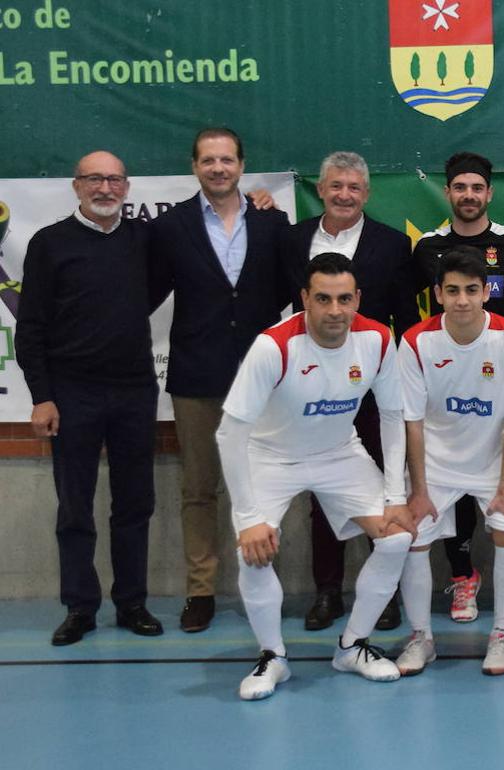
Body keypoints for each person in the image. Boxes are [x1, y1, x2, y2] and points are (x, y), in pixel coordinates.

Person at [217, 253, 415, 700]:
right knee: (254, 550)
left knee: (397, 537)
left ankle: (352, 646)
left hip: (337, 453)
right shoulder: (274, 346)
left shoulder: (378, 339)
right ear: (304, 298)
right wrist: (248, 516)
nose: (334, 311)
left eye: (345, 299)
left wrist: (395, 494)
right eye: (323, 299)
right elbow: (231, 432)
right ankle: (273, 657)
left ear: (358, 299)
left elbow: (393, 413)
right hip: (269, 456)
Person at [15, 151, 162, 645]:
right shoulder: (49, 244)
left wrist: (258, 201)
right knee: (74, 505)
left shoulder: (145, 239)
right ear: (76, 186)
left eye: (115, 179)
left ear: (127, 186)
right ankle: (80, 607)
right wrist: (42, 397)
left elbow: (199, 228)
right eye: (95, 179)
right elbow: (30, 326)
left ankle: (132, 603)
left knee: (135, 502)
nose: (105, 188)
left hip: (134, 391)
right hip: (72, 394)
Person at [149, 127, 291, 633]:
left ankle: (264, 581)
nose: (218, 168)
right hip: (197, 376)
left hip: (263, 378)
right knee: (199, 488)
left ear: (241, 164)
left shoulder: (273, 224)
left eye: (227, 159)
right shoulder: (171, 227)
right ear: (194, 166)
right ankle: (201, 590)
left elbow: (290, 294)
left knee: (266, 486)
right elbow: (143, 295)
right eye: (208, 160)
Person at [285, 151, 419, 632]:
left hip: (372, 386)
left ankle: (381, 593)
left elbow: (405, 319)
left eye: (354, 188)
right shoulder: (293, 239)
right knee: (323, 488)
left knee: (382, 487)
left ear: (367, 193)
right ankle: (327, 591)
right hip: (310, 390)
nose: (344, 195)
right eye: (335, 186)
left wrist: (406, 386)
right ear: (320, 189)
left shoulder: (391, 244)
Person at [412, 151, 504, 623]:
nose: (468, 196)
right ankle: (464, 576)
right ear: (447, 193)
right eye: (460, 188)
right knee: (456, 488)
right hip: (449, 383)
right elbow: (410, 312)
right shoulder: (427, 248)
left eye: (477, 188)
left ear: (489, 193)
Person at [395, 245, 504, 675]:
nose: (463, 301)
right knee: (411, 539)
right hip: (434, 463)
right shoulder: (416, 341)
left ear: (487, 291)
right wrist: (417, 490)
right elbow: (412, 422)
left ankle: (502, 637)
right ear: (437, 293)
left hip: (494, 464)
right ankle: (421, 638)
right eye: (452, 291)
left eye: (472, 290)